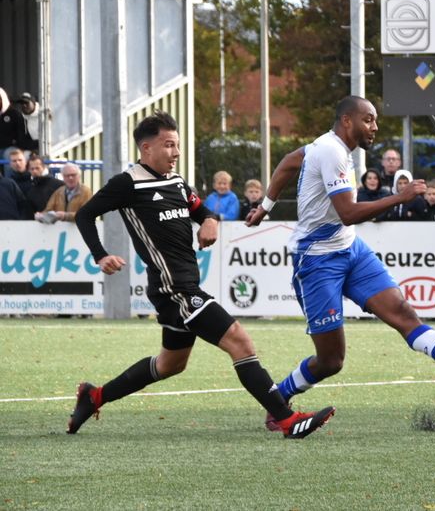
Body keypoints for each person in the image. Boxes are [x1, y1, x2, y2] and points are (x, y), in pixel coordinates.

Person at [70, 111, 332, 438]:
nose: (176, 152)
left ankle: (94, 396)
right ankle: (287, 420)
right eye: (169, 145)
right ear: (146, 148)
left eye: (178, 145)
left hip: (184, 285)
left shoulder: (178, 183)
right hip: (174, 289)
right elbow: (85, 215)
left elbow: (203, 211)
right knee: (240, 340)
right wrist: (101, 255)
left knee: (170, 364)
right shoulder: (128, 183)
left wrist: (210, 221)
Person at [244, 97, 435, 418]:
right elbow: (348, 212)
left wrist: (265, 207)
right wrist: (400, 197)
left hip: (350, 250)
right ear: (347, 121)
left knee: (404, 314)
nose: (375, 127)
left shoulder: (327, 148)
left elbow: (287, 163)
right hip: (317, 260)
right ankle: (278, 399)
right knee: (331, 361)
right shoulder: (332, 151)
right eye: (368, 120)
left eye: (375, 120)